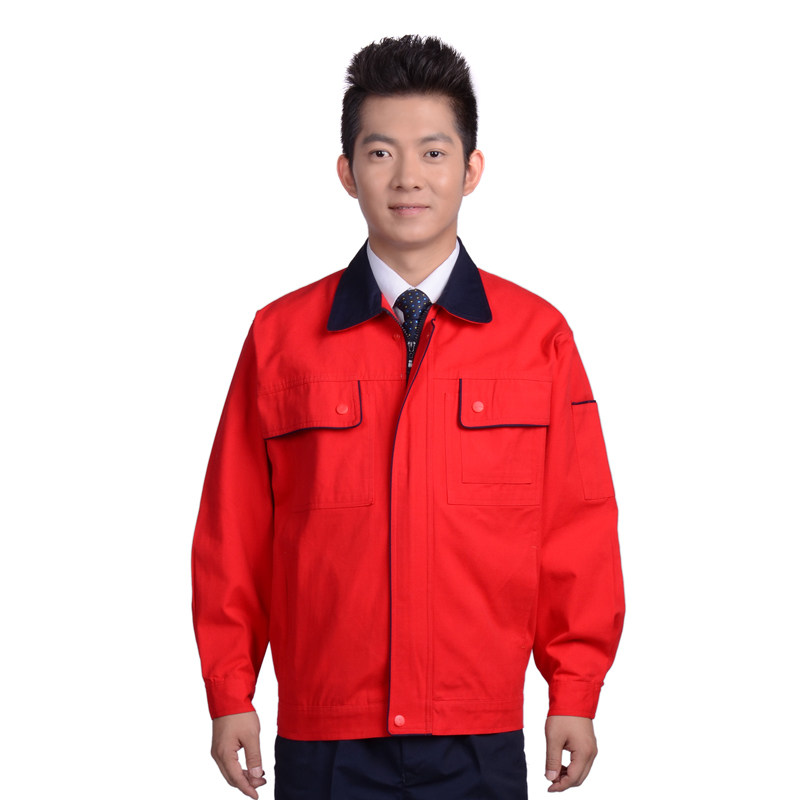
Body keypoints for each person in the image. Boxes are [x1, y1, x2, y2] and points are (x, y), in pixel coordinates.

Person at [192, 34, 625, 799]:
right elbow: (235, 532)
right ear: (347, 172)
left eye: (432, 152)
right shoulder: (280, 339)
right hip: (327, 737)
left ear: (471, 169)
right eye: (381, 153)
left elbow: (576, 529)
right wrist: (231, 691)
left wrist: (575, 690)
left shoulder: (539, 338)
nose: (408, 178)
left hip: (477, 736)